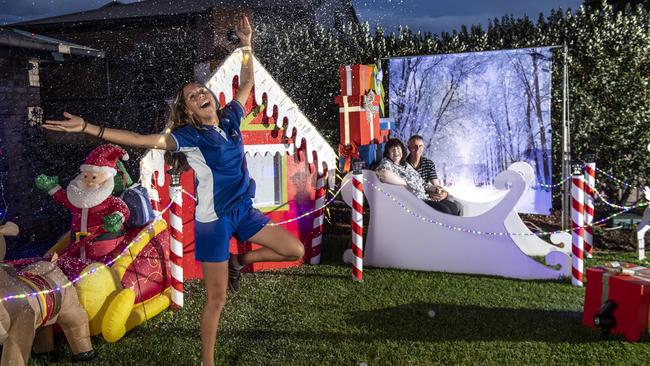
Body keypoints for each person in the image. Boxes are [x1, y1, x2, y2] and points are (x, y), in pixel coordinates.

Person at [42, 15, 304, 366]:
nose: (199, 95)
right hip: (215, 222)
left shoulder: (229, 120)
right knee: (217, 299)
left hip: (243, 210)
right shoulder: (190, 138)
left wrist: (246, 45)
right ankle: (207, 362)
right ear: (190, 111)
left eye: (200, 91)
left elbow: (245, 87)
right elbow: (138, 139)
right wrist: (89, 127)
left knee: (294, 249)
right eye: (192, 98)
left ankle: (239, 260)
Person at [375, 138, 460, 215]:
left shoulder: (405, 165)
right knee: (445, 210)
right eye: (392, 150)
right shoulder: (387, 163)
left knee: (453, 206)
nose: (396, 152)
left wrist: (434, 189)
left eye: (398, 149)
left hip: (424, 197)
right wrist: (405, 183)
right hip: (413, 202)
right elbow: (383, 174)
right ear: (388, 153)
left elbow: (421, 182)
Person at [406, 135, 461, 216]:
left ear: (423, 147)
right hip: (414, 198)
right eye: (414, 146)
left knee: (455, 207)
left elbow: (436, 184)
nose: (418, 149)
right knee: (445, 210)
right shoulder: (404, 164)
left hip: (429, 195)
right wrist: (428, 193)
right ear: (409, 148)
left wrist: (443, 193)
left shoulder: (428, 163)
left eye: (420, 146)